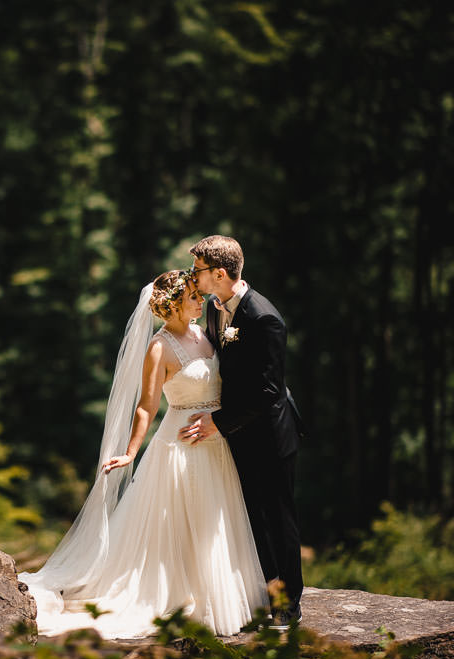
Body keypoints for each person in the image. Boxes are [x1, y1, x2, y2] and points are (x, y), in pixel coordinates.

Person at [19, 270, 268, 639]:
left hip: (215, 439)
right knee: (188, 522)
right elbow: (146, 406)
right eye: (193, 296)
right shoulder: (159, 347)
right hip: (181, 444)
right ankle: (195, 602)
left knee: (216, 521)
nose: (201, 300)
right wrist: (130, 451)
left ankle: (224, 597)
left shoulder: (204, 332)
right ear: (174, 305)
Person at [180, 235, 305, 628]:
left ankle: (289, 603)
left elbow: (268, 392)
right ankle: (262, 592)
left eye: (198, 270)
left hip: (270, 435)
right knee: (251, 517)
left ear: (219, 274)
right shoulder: (214, 308)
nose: (193, 277)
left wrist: (218, 422)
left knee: (277, 518)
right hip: (239, 434)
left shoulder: (265, 318)